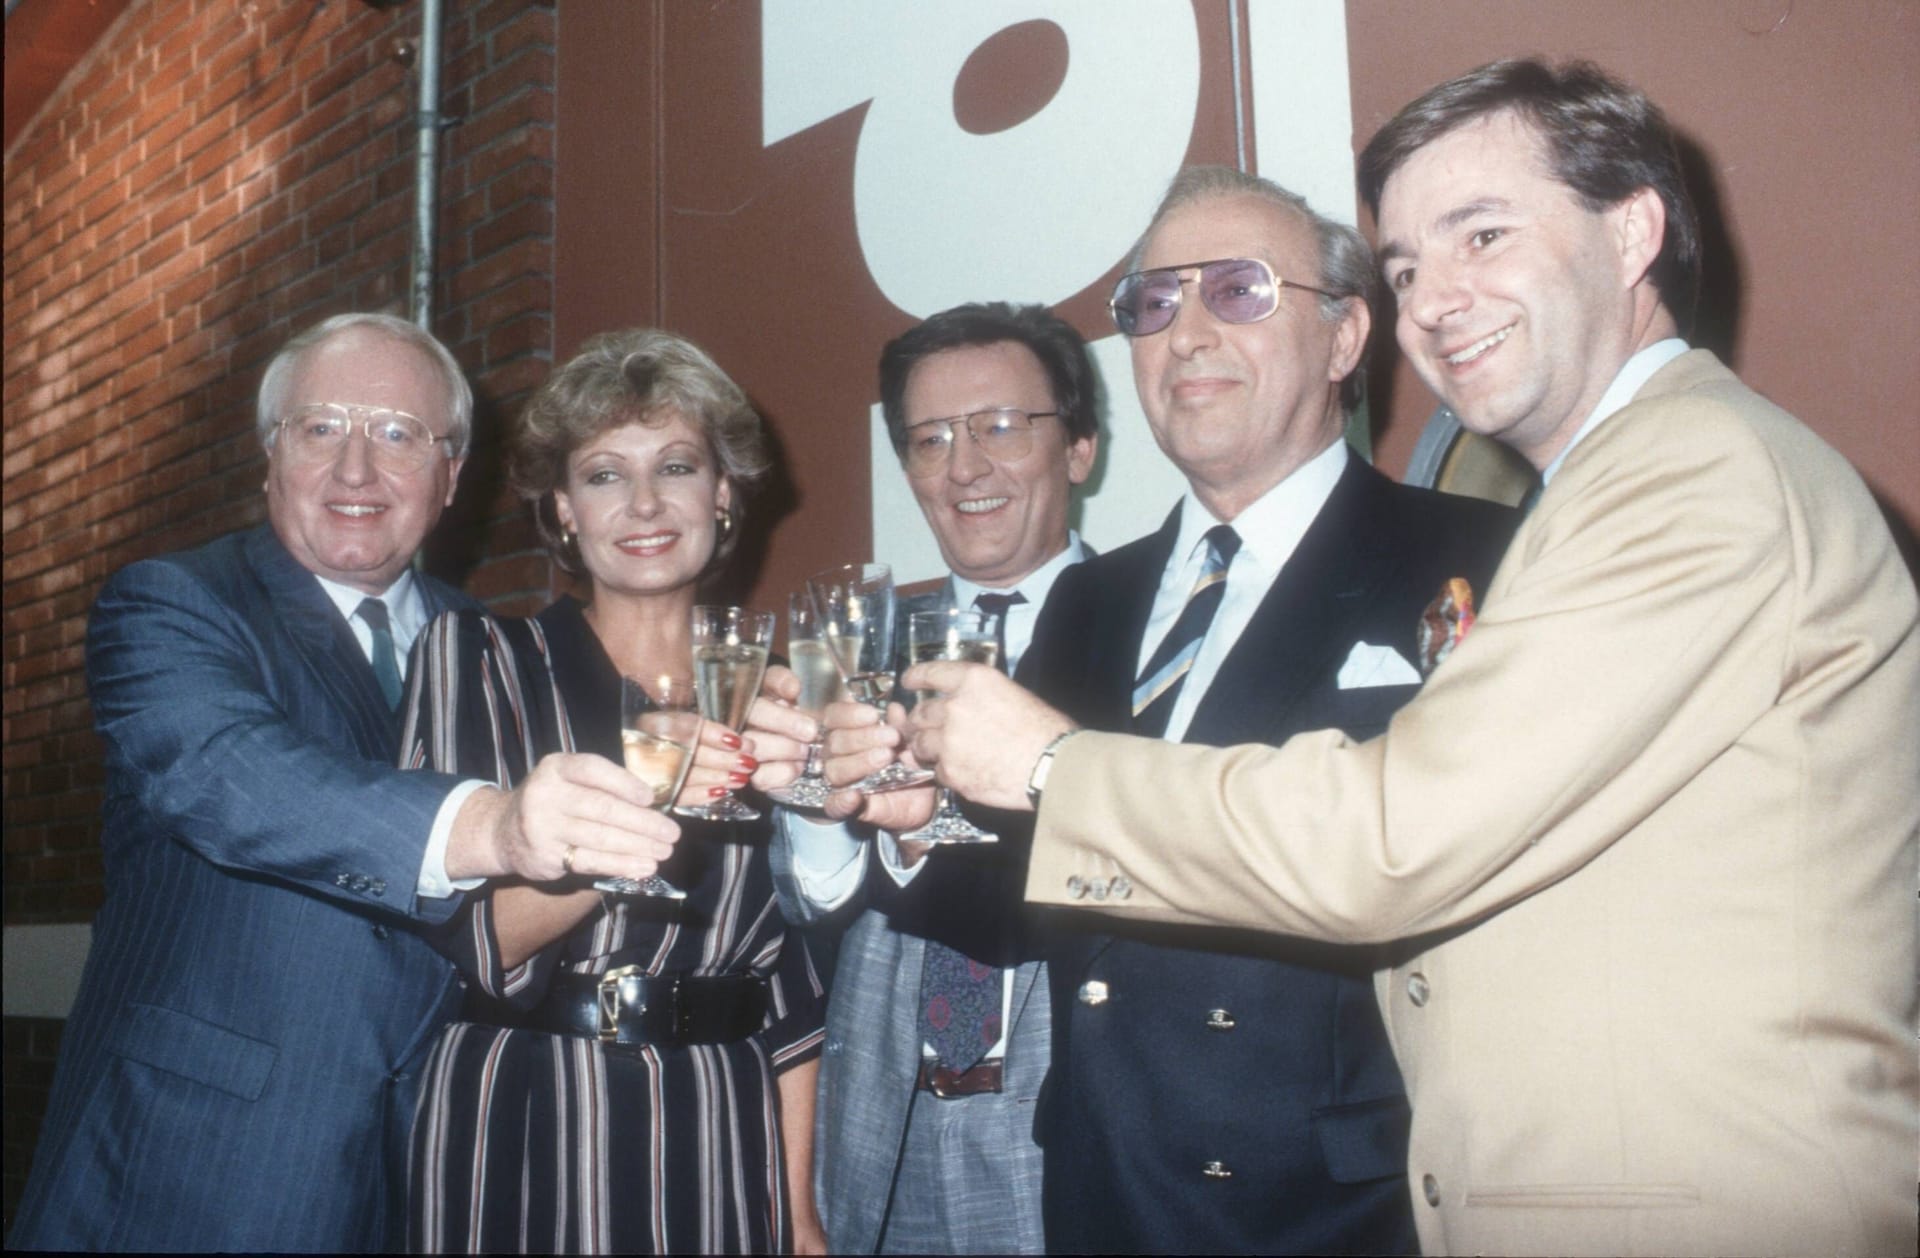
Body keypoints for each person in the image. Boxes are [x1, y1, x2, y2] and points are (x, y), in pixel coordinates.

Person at [908, 60, 1920, 1258]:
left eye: (1482, 234)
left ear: (1634, 229)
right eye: (1406, 265)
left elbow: (1392, 836)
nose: (1437, 298)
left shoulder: (1690, 473)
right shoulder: (1617, 486)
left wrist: (1050, 765)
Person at [819, 169, 1514, 1254]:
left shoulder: (1475, 555)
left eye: (1236, 291)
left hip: (1335, 1204)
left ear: (1343, 340)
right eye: (1150, 304)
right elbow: (1032, 906)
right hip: (1106, 1191)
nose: (1183, 333)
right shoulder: (1095, 599)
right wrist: (911, 830)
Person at [8, 313, 679, 1253]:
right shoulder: (173, 603)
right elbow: (227, 776)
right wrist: (492, 826)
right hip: (200, 1164)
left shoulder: (491, 647)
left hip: (437, 1169)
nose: (356, 470)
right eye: (322, 428)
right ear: (270, 456)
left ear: (449, 478)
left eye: (400, 435)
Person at [402, 328, 826, 1255]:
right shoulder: (481, 662)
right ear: (562, 507)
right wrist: (660, 795)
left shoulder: (779, 696)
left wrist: (798, 1216)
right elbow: (472, 942)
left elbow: (797, 987)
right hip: (528, 1115)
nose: (643, 502)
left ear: (723, 493)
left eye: (676, 466)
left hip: (724, 1121)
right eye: (602, 475)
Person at [758, 302, 1098, 1254]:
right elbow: (813, 901)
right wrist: (826, 805)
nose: (963, 467)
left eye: (998, 426)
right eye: (930, 438)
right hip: (884, 1128)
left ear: (1079, 446)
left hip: (1070, 1122)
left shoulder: (1151, 629)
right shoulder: (853, 643)